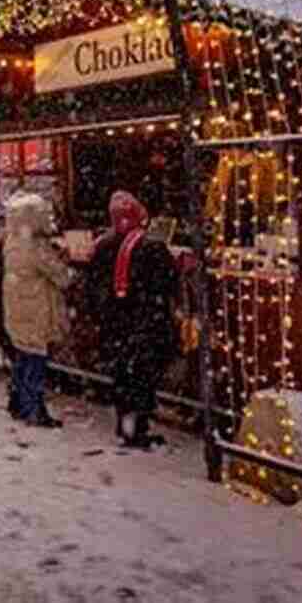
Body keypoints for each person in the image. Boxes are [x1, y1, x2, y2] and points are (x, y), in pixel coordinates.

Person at [85, 190, 180, 450]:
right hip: (144, 321)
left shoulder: (103, 244)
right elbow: (168, 281)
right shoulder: (151, 246)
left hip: (115, 322)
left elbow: (92, 284)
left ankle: (125, 422)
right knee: (142, 375)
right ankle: (137, 427)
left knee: (123, 374)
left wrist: (101, 312)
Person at [0, 191, 73, 427]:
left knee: (23, 356)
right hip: (36, 310)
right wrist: (68, 266)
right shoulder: (36, 247)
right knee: (35, 361)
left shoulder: (12, 241)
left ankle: (18, 403)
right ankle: (34, 410)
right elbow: (61, 276)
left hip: (18, 309)